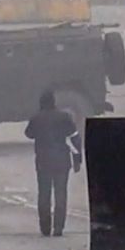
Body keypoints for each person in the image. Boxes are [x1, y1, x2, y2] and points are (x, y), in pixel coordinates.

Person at [24, 89, 80, 237]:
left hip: (43, 161)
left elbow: (28, 134)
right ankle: (59, 228)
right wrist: (78, 158)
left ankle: (45, 227)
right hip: (62, 160)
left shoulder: (37, 118)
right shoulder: (64, 117)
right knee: (61, 193)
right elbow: (75, 137)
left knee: (44, 194)